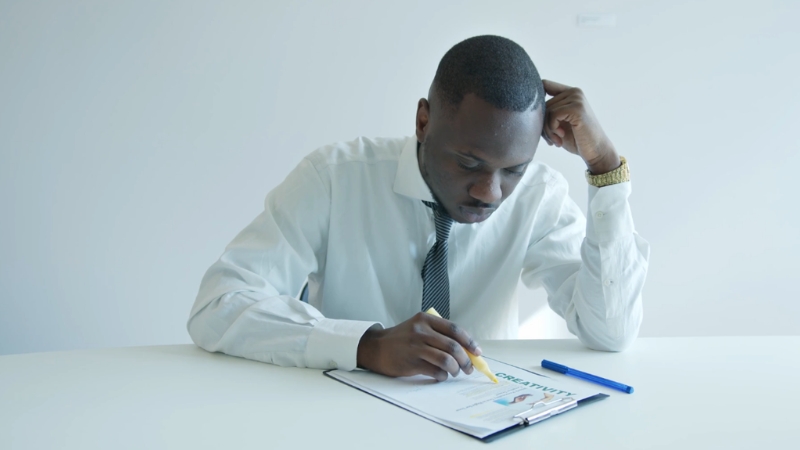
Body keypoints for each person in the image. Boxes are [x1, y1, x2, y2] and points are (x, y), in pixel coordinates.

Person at [187, 35, 649, 382]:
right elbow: (218, 305)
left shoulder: (539, 196)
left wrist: (605, 167)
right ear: (423, 122)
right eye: (469, 163)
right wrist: (366, 345)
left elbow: (611, 332)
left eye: (514, 169)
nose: (491, 192)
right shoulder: (334, 178)